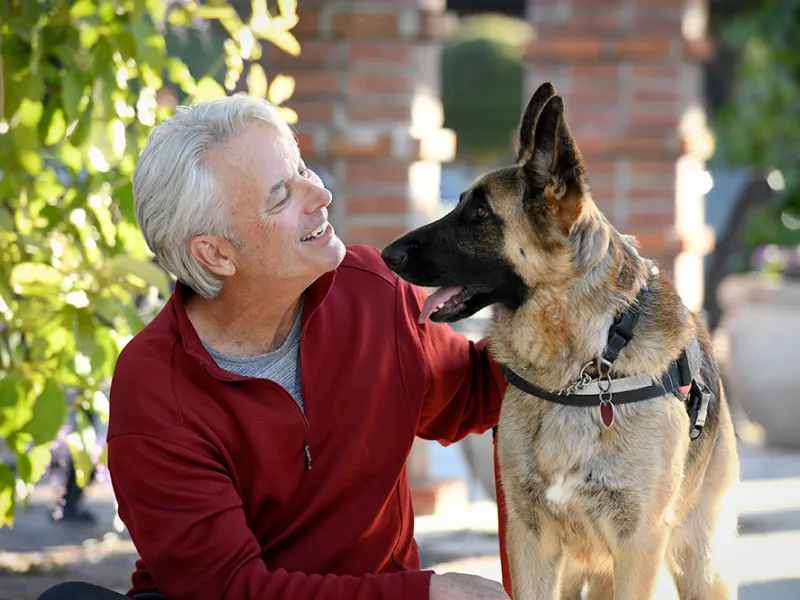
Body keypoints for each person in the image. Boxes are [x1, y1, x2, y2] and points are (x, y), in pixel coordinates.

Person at [38, 95, 510, 600]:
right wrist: (423, 595)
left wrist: (579, 311)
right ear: (216, 253)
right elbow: (231, 590)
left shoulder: (372, 289)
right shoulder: (155, 388)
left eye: (304, 168)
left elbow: (481, 391)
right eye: (281, 195)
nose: (320, 195)